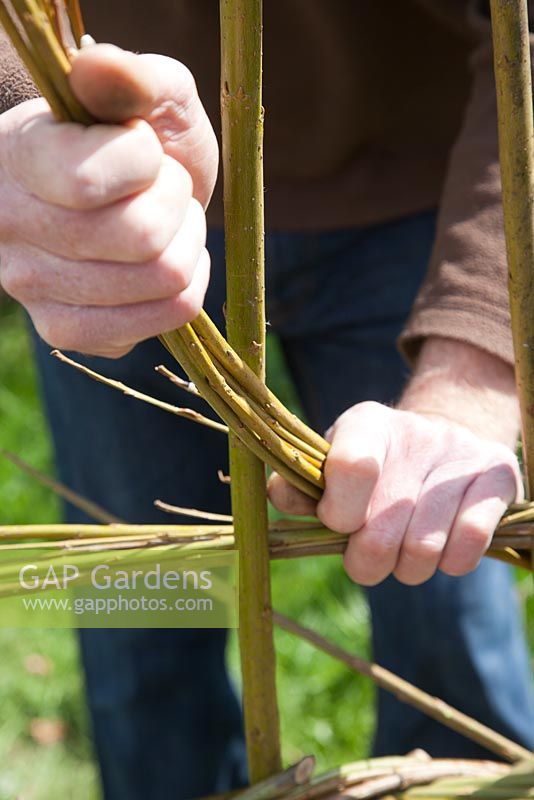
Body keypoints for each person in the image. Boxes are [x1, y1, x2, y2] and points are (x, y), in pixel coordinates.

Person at [0, 2, 533, 798]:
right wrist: (20, 122)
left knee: (441, 591)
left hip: (429, 195)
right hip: (115, 195)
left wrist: (478, 364)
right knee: (144, 618)